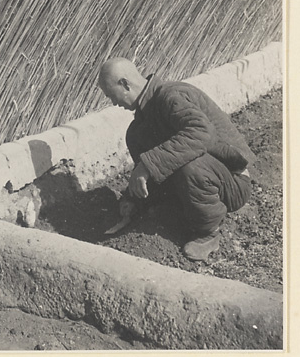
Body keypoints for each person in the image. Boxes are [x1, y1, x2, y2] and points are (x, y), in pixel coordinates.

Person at [98, 57, 255, 261]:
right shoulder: (138, 128)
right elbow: (152, 172)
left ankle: (208, 232)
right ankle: (184, 210)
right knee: (159, 159)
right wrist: (132, 198)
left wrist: (147, 164)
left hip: (232, 181)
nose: (113, 103)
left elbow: (201, 134)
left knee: (190, 165)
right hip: (196, 185)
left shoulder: (171, 96)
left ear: (125, 84)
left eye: (111, 95)